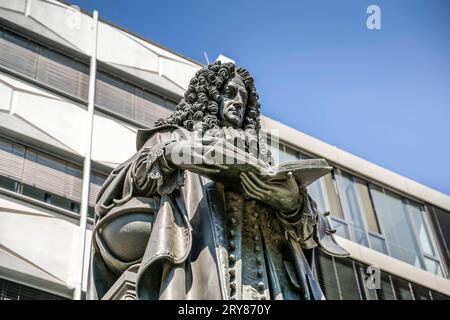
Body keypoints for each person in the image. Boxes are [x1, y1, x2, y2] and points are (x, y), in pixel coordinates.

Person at [88, 61, 349, 300]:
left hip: (272, 282)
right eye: (230, 93)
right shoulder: (177, 138)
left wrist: (293, 203)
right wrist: (174, 155)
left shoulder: (266, 161)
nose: (238, 102)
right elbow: (119, 187)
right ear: (211, 96)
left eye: (244, 98)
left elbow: (314, 233)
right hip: (204, 268)